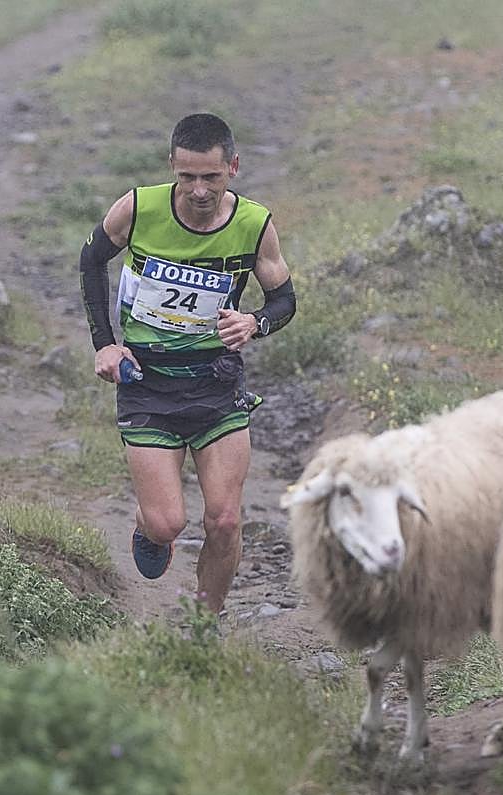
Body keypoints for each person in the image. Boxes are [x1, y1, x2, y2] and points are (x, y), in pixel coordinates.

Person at [78, 112, 295, 614]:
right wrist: (105, 345)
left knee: (223, 520)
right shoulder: (138, 207)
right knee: (166, 524)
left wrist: (255, 323)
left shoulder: (254, 224)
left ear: (233, 168)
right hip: (147, 384)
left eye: (211, 178)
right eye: (188, 177)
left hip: (216, 384)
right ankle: (149, 523)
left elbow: (284, 300)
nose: (199, 191)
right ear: (172, 166)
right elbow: (91, 262)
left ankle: (206, 622)